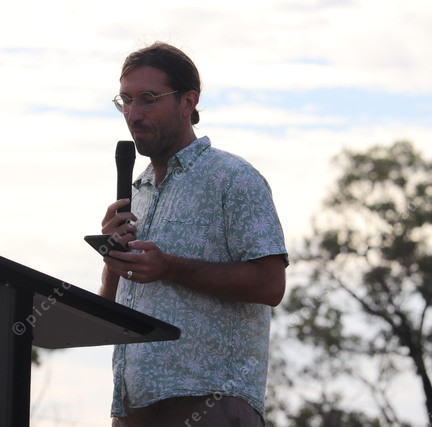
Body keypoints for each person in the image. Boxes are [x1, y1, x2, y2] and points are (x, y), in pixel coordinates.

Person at [98, 42, 288, 426]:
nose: (133, 114)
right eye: (126, 101)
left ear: (188, 102)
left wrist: (168, 266)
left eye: (148, 99)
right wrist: (112, 257)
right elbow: (109, 309)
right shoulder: (136, 192)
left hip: (209, 401)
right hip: (131, 408)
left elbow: (271, 285)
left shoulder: (232, 178)